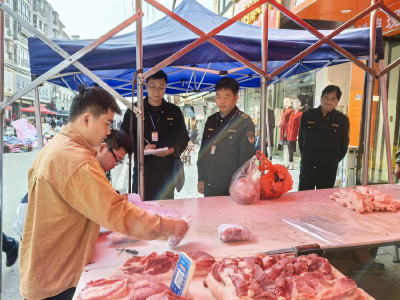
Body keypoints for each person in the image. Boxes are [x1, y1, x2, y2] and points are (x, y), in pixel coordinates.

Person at [20, 84, 188, 300]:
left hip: (47, 268)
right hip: (57, 278)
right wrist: (169, 226)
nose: (109, 131)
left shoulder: (58, 147)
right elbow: (117, 212)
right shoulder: (76, 160)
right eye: (107, 123)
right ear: (87, 119)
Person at [13, 129, 133, 239]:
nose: (115, 165)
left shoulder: (94, 164)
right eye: (116, 159)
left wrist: (114, 197)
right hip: (33, 215)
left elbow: (98, 194)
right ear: (102, 147)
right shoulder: (84, 163)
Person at [121, 70, 189, 201]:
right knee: (141, 211)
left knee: (166, 211)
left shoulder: (174, 111)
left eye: (161, 87)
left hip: (166, 173)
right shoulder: (134, 110)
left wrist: (173, 150)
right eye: (152, 87)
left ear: (165, 88)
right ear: (145, 86)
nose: (157, 91)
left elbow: (184, 137)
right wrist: (140, 149)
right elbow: (124, 138)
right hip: (142, 171)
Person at [197, 77, 255, 197]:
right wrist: (201, 177)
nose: (221, 101)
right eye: (218, 97)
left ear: (236, 97)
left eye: (226, 97)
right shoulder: (211, 120)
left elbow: (247, 159)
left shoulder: (244, 122)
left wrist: (242, 184)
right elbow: (203, 151)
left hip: (231, 185)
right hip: (210, 183)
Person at [298, 85, 350, 191]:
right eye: (326, 97)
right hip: (308, 166)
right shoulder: (308, 116)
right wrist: (306, 156)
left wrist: (332, 161)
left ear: (338, 101)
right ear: (321, 98)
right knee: (303, 198)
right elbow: (301, 140)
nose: (328, 101)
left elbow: (343, 146)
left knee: (324, 199)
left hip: (328, 168)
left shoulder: (342, 120)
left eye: (333, 99)